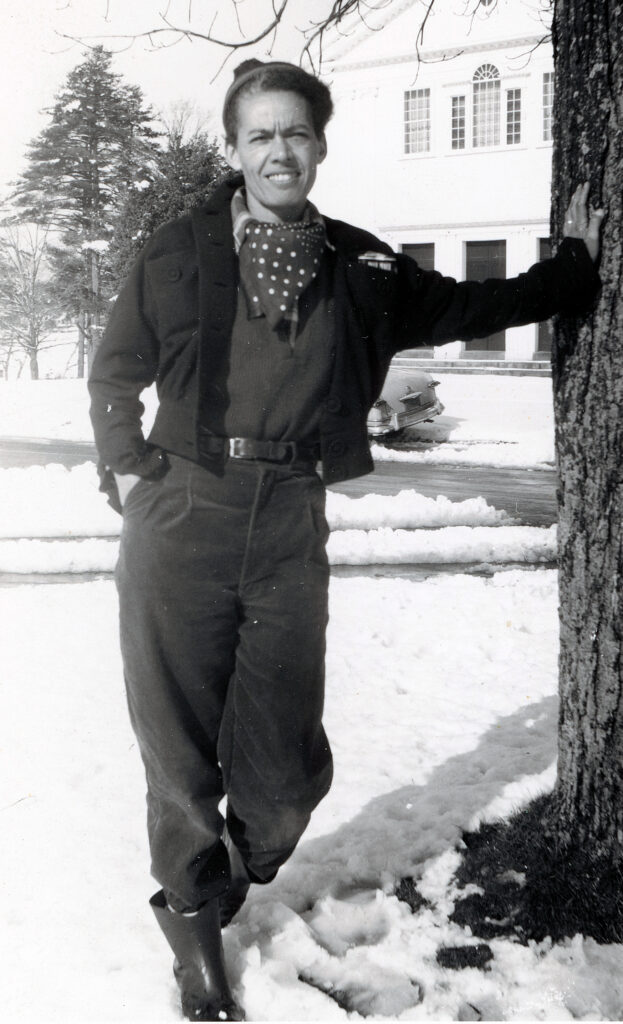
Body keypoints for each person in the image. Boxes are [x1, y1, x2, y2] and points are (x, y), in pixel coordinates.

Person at [88, 58, 603, 1022]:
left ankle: (241, 865)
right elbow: (114, 371)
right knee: (177, 737)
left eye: (296, 133)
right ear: (234, 150)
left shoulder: (360, 266)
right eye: (259, 135)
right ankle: (194, 918)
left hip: (290, 509)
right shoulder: (176, 249)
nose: (279, 150)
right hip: (182, 507)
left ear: (319, 145)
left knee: (283, 774)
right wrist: (125, 465)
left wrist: (573, 268)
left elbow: (470, 305)